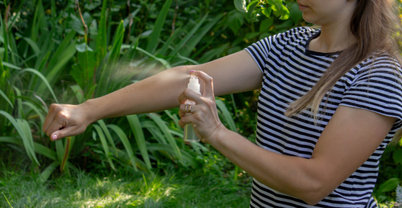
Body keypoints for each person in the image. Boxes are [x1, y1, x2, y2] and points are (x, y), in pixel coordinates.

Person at [43, 0, 402, 207]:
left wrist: (216, 132)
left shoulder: (378, 75)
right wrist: (89, 109)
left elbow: (313, 183)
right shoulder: (290, 44)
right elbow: (191, 78)